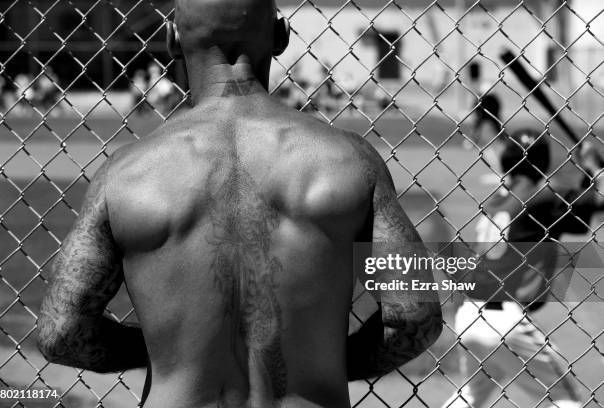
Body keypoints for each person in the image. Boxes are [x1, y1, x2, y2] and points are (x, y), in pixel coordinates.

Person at [36, 1, 442, 407]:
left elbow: (61, 333)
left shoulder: (126, 174)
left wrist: (165, 353)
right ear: (281, 36)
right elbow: (415, 317)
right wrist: (332, 362)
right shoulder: (350, 161)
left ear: (171, 40)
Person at [442, 129, 604, 408]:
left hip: (470, 315)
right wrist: (593, 163)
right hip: (506, 321)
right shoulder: (542, 197)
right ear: (542, 162)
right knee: (565, 398)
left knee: (471, 396)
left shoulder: (497, 201)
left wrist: (587, 178)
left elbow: (576, 219)